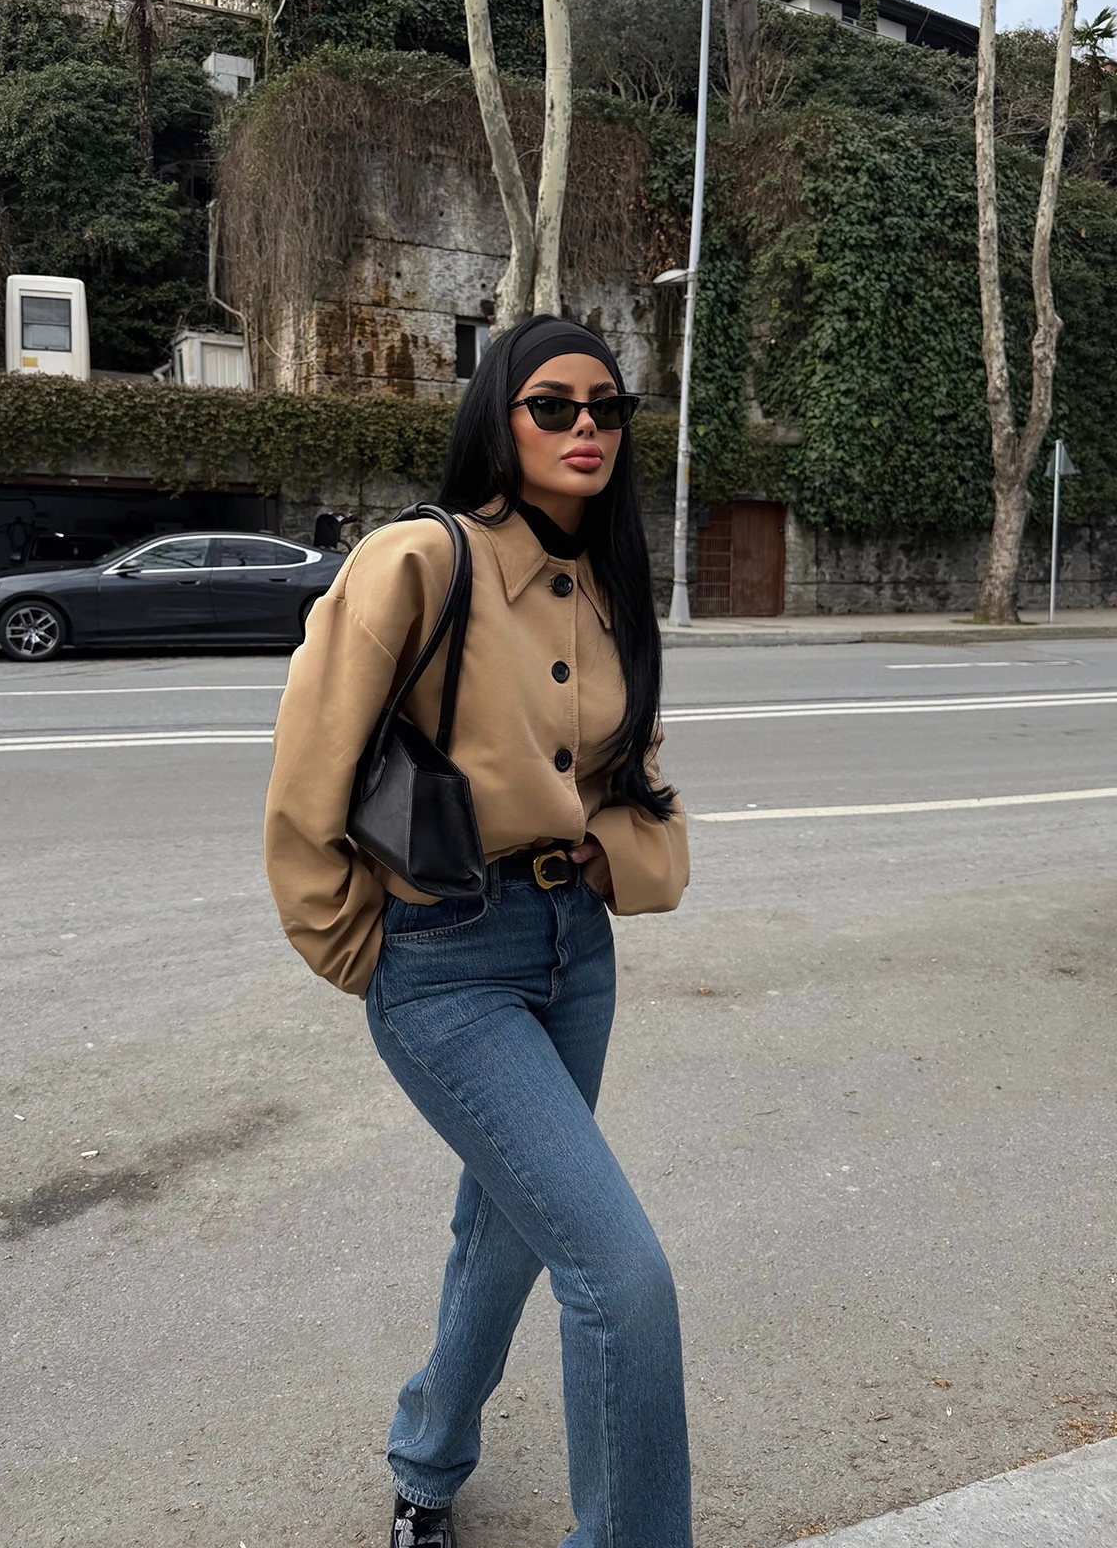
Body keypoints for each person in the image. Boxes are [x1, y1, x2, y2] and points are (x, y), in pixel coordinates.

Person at [265, 316, 692, 1548]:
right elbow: (308, 772)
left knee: (505, 1236)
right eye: (552, 405)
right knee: (622, 1278)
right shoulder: (417, 561)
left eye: (607, 408)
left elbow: (634, 772)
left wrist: (619, 855)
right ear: (498, 419)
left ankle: (425, 1462)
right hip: (447, 962)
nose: (586, 427)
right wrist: (362, 947)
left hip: (576, 953)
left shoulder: (611, 586)